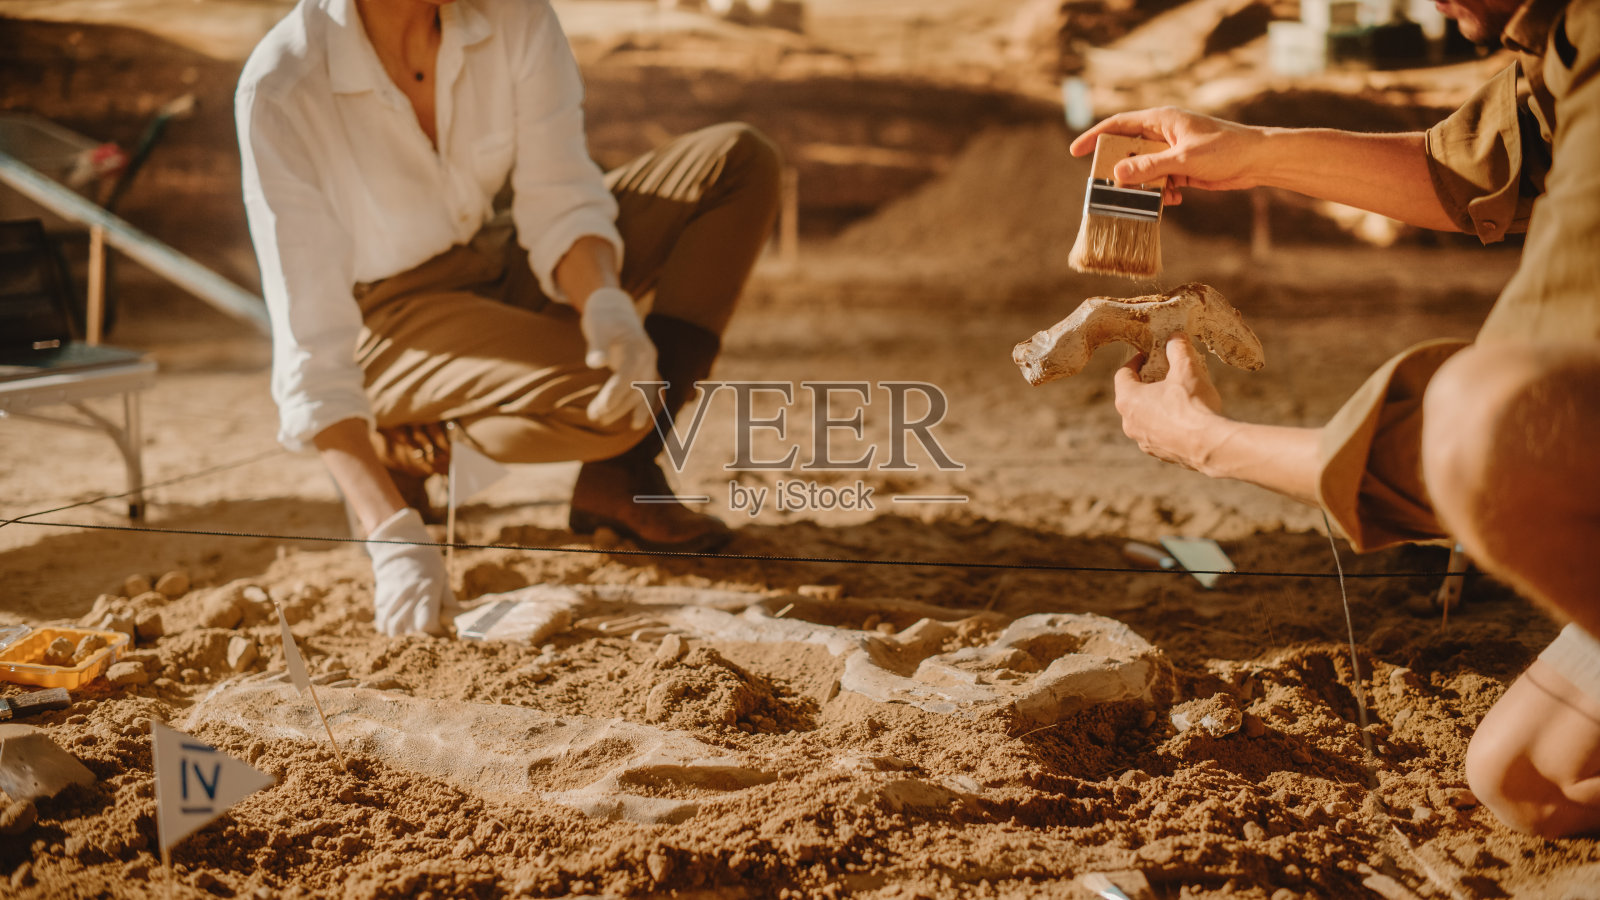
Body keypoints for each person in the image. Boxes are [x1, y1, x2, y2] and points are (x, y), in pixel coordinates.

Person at [1070, 0, 1600, 837]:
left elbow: (1498, 447)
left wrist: (1211, 443)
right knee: (1528, 777)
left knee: (1481, 411)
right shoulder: (1565, 37)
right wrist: (1251, 154)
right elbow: (1476, 162)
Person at [235, 0, 779, 637]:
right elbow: (311, 341)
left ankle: (621, 476)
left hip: (498, 249)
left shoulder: (514, 14)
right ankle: (394, 442)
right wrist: (392, 540)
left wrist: (604, 303)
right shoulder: (282, 86)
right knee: (600, 406)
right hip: (384, 317)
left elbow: (560, 196)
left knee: (737, 162)